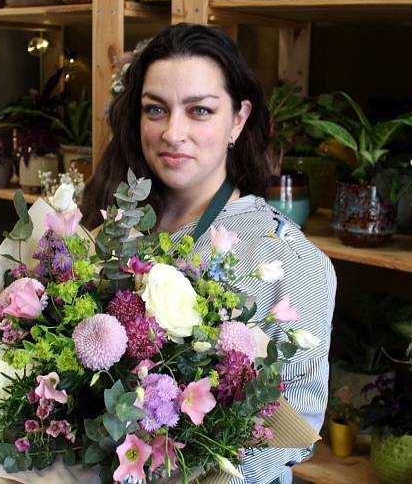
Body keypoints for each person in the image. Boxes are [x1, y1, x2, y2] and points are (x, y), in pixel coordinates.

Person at [81, 24, 336, 484]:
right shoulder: (112, 232)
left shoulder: (288, 261)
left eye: (199, 110)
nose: (173, 132)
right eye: (155, 110)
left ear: (238, 119)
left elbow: (285, 436)